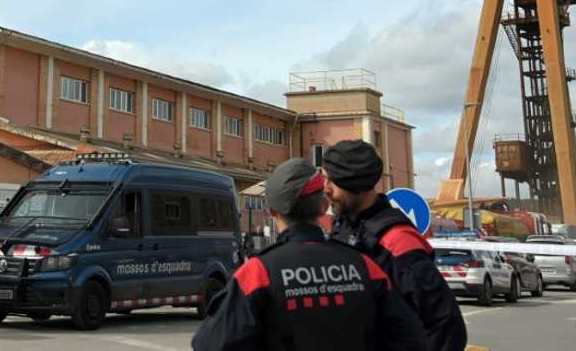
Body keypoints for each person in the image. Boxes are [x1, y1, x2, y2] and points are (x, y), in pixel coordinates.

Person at [192, 158, 427, 351]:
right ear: (324, 206)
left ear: (272, 211)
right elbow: (411, 339)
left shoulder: (258, 273)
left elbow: (209, 345)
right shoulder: (364, 265)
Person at [324, 140, 466, 351]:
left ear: (355, 184)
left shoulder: (397, 241)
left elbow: (445, 324)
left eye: (332, 181)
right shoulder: (343, 228)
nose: (326, 189)